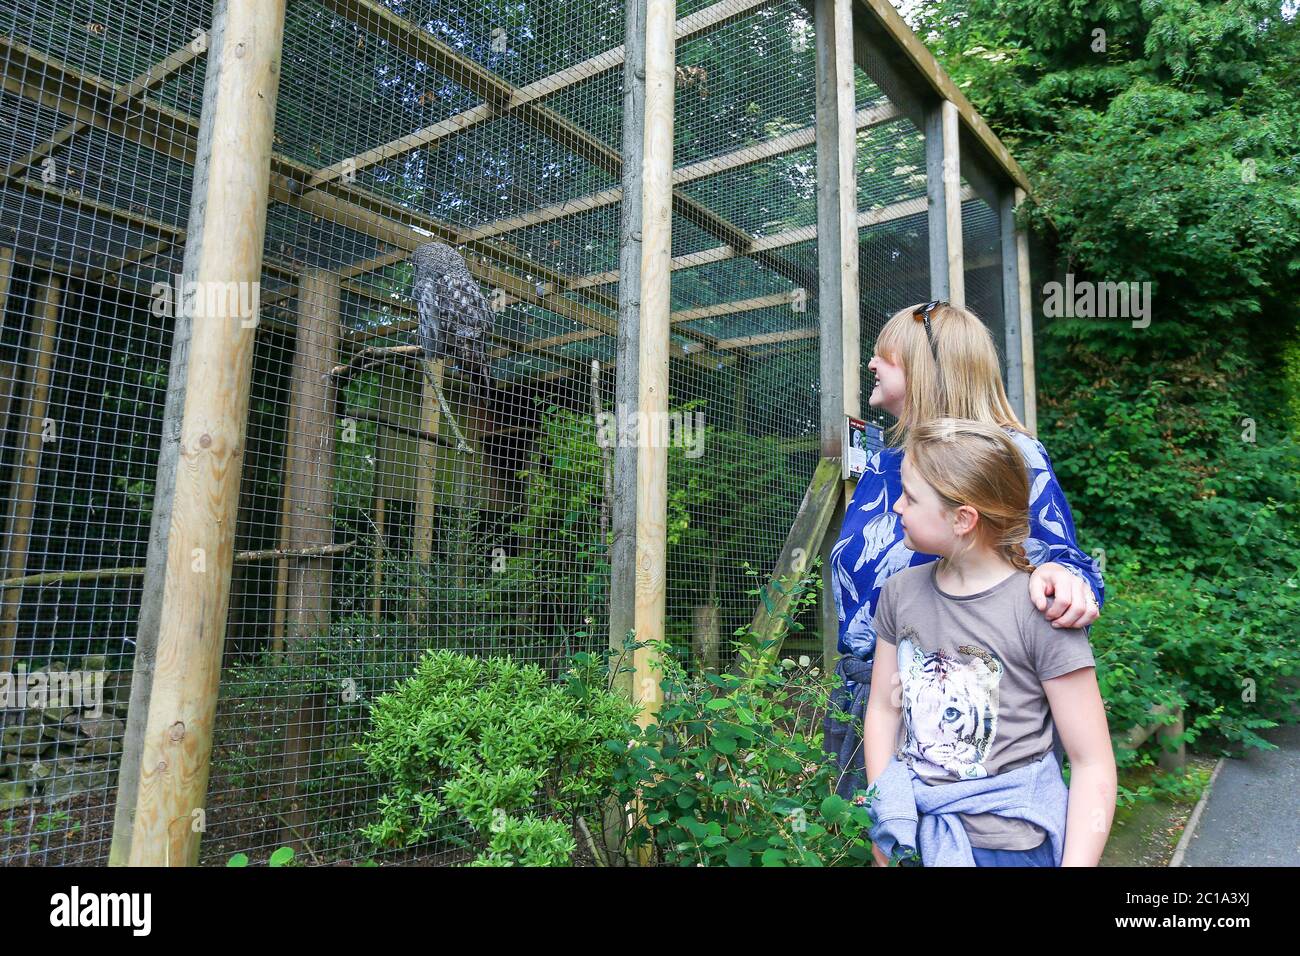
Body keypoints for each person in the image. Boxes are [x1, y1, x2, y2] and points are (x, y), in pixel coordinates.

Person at [824, 301, 1105, 800]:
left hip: (961, 702)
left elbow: (1063, 559)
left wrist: (1066, 579)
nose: (871, 365)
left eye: (883, 355)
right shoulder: (884, 464)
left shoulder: (1008, 452)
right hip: (867, 699)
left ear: (925, 366)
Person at [861, 418, 1116, 866]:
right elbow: (884, 708)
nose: (897, 507)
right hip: (916, 836)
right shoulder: (899, 594)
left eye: (911, 497)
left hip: (1011, 849)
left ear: (963, 518)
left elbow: (1092, 761)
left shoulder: (1040, 610)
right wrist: (886, 822)